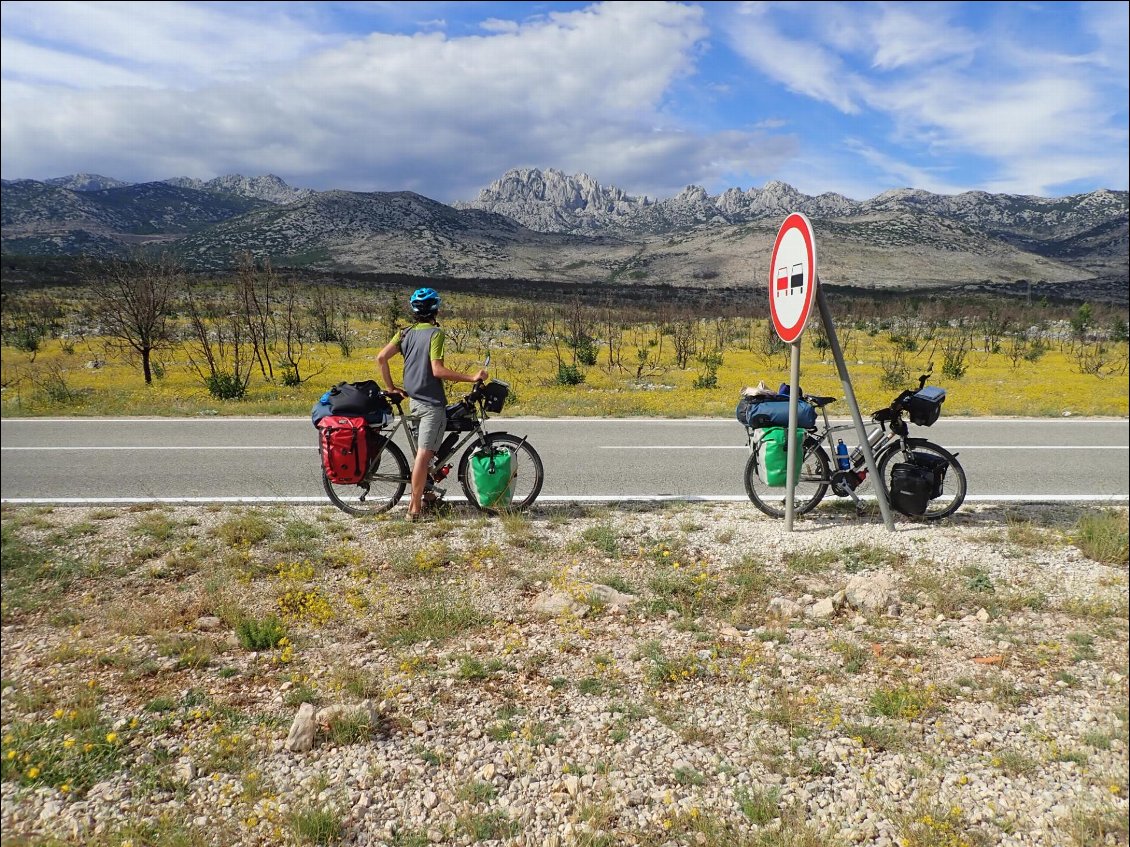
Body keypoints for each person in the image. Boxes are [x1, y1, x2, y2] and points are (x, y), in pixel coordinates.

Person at [377, 287, 488, 521]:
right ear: (435, 309)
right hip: (430, 405)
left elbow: (381, 358)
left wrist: (391, 387)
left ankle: (427, 495)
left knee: (425, 454)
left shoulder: (404, 333)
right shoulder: (436, 334)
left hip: (415, 402)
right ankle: (414, 509)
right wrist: (472, 377)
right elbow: (437, 370)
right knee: (423, 456)